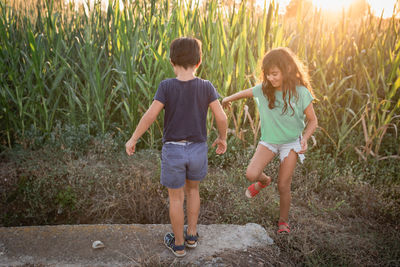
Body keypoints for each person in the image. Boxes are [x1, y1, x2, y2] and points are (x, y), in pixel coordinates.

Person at [125, 37, 227, 257]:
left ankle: (178, 245)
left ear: (171, 61)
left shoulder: (166, 86)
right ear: (199, 61)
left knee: (175, 198)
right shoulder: (206, 86)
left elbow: (150, 115)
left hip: (173, 149)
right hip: (198, 149)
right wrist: (222, 137)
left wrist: (133, 138)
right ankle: (192, 236)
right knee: (193, 191)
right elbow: (221, 115)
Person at [221, 47, 317, 234]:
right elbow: (246, 92)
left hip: (291, 144)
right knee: (251, 173)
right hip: (270, 141)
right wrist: (227, 99)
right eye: (267, 75)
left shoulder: (301, 92)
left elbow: (313, 120)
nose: (270, 79)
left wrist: (304, 138)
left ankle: (283, 221)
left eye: (275, 74)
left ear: (287, 69)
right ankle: (264, 182)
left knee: (283, 186)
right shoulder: (264, 90)